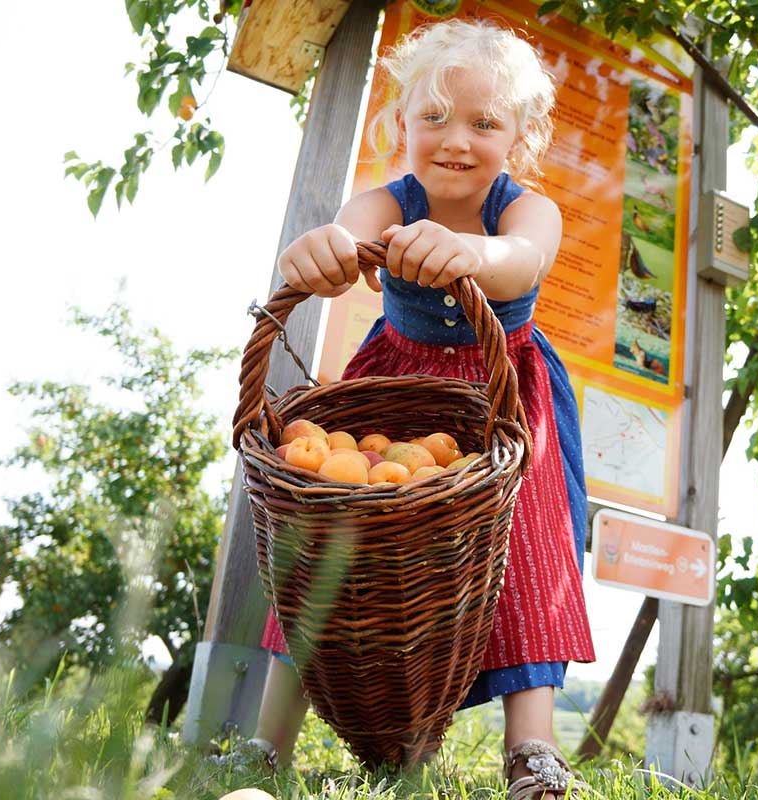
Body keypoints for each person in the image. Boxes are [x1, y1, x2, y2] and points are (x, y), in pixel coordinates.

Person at [244, 18, 596, 798]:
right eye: (432, 117)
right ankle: (267, 745)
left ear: (520, 137)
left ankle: (531, 748)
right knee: (332, 530)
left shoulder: (525, 209)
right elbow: (345, 237)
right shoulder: (385, 201)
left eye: (483, 122)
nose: (455, 139)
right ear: (400, 124)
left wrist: (471, 254)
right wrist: (323, 252)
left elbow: (521, 261)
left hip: (504, 393)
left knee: (530, 542)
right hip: (396, 385)